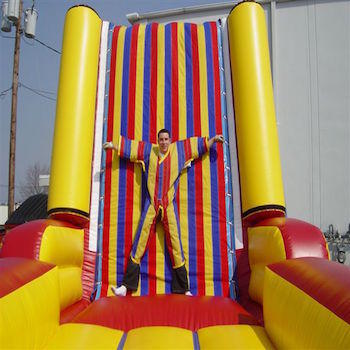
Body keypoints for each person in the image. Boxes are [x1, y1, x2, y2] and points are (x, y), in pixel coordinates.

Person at [103, 129, 224, 296]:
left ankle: (184, 288)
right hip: (152, 204)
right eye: (161, 139)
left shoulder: (179, 151)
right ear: (157, 140)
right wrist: (114, 147)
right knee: (140, 240)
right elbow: (132, 149)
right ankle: (126, 286)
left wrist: (213, 140)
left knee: (175, 243)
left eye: (166, 139)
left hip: (168, 205)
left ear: (170, 140)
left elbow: (197, 148)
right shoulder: (149, 151)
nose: (164, 142)